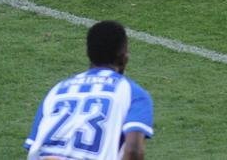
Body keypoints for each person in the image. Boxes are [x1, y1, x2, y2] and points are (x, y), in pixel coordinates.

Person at [24, 20, 154, 160]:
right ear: (123, 55)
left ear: (88, 52)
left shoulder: (58, 90)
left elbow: (35, 146)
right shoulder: (133, 93)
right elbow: (133, 151)